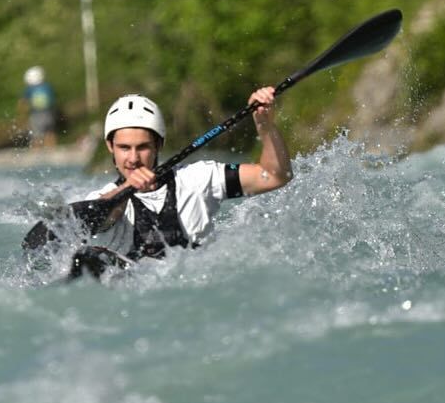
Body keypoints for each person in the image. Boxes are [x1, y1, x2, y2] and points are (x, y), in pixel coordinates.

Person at [50, 88, 292, 277]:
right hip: (132, 299)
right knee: (86, 257)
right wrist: (127, 188)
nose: (133, 158)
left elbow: (274, 176)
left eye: (143, 147)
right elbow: (105, 213)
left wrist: (265, 125)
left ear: (159, 145)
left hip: (196, 290)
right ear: (110, 147)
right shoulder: (103, 199)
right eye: (124, 148)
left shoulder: (198, 178)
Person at [20, 65, 58, 149]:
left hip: (36, 114)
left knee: (36, 136)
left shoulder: (29, 89)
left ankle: (36, 151)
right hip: (48, 113)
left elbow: (23, 102)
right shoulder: (47, 86)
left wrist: (23, 115)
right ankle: (52, 150)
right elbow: (53, 101)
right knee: (50, 133)